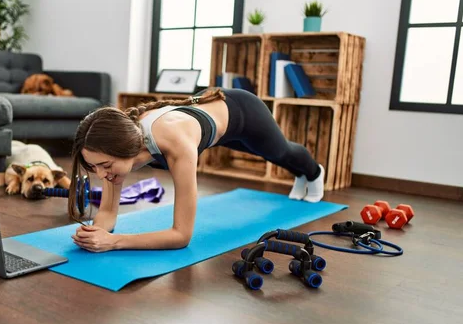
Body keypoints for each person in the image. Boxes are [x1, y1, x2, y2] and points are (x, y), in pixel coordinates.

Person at [68, 88, 324, 252]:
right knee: (268, 153)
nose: (101, 175)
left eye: (105, 166)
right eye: (94, 168)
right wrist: (95, 232)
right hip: (210, 124)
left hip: (243, 113)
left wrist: (115, 242)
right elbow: (109, 214)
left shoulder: (175, 144)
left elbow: (181, 236)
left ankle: (312, 173)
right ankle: (303, 174)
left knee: (279, 153)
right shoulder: (114, 143)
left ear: (126, 150)